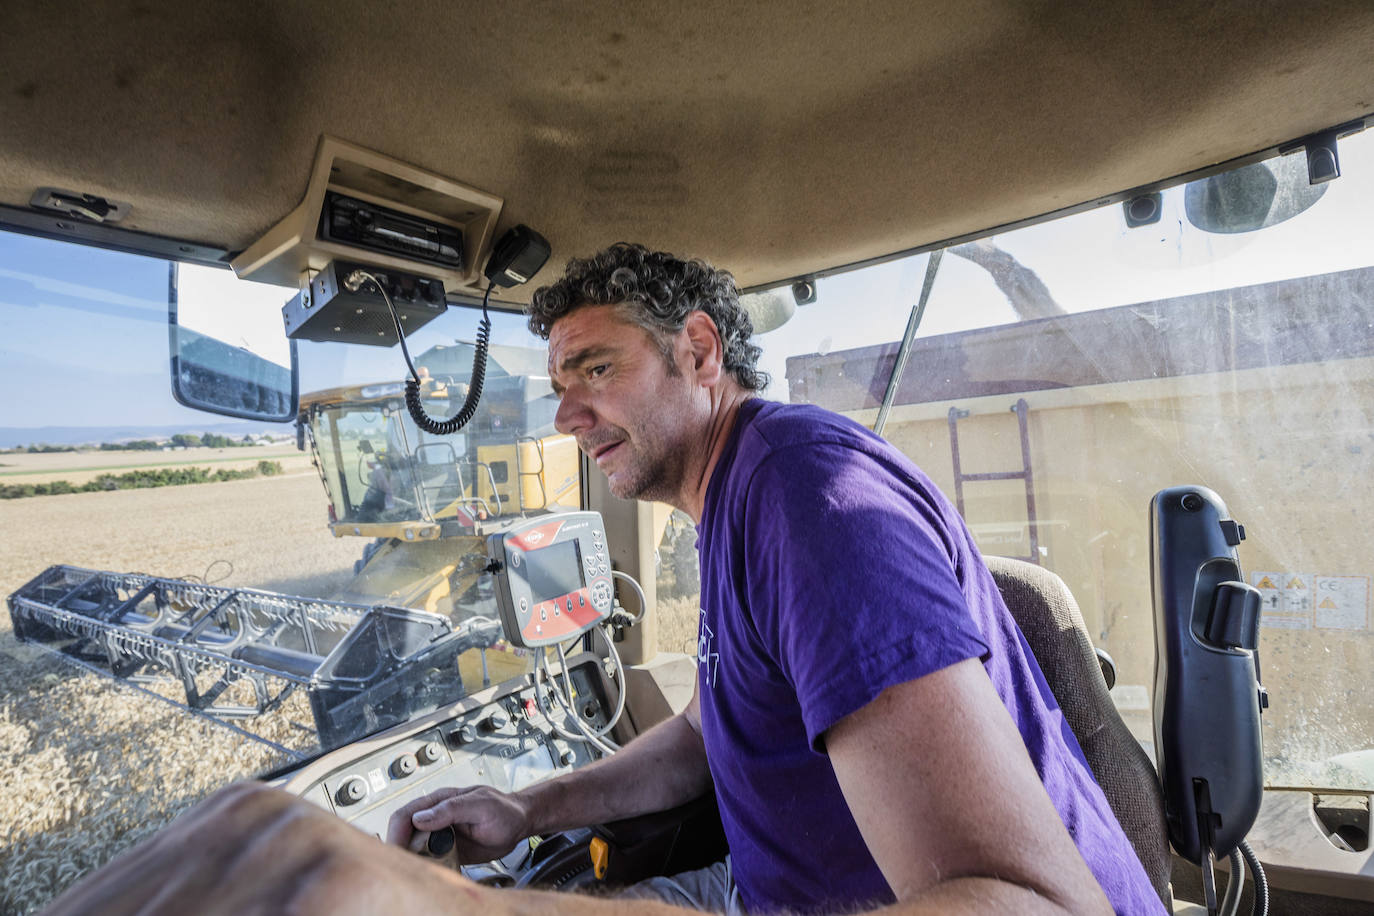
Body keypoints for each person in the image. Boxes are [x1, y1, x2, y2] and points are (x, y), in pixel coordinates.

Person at [45, 244, 1162, 916]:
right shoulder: (733, 501)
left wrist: (426, 903)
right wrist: (531, 803)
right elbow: (714, 728)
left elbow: (1030, 903)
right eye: (559, 379)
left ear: (700, 349)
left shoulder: (808, 503)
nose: (568, 412)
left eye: (596, 367)